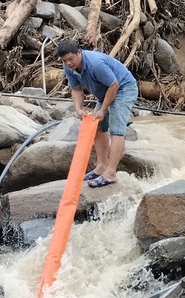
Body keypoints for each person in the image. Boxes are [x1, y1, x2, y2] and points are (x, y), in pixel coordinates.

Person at [58, 40, 138, 188]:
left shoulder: (95, 64)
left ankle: (111, 173)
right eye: (65, 61)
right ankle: (101, 166)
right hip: (105, 92)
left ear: (79, 52)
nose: (68, 63)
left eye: (71, 59)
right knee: (98, 127)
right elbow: (76, 89)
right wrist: (78, 109)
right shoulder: (68, 67)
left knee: (117, 130)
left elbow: (114, 85)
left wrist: (102, 110)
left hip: (123, 88)